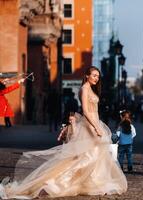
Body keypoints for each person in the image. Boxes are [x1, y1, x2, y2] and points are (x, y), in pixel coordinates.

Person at [0, 66, 127, 199]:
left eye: (98, 76)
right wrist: (95, 127)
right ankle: (58, 182)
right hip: (90, 124)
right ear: (87, 76)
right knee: (88, 156)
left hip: (95, 123)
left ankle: (96, 183)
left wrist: (97, 125)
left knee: (94, 155)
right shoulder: (84, 88)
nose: (96, 78)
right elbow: (85, 110)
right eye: (94, 75)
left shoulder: (91, 89)